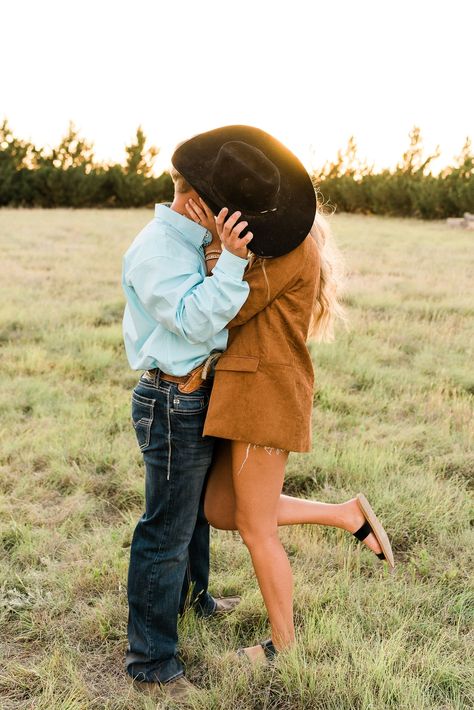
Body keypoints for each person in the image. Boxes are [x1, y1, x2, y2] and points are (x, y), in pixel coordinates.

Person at [178, 125, 396, 666]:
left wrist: (214, 249)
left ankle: (283, 646)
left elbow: (228, 306)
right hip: (249, 390)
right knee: (220, 508)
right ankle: (346, 515)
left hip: (265, 393)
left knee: (255, 529)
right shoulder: (278, 247)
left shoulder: (287, 253)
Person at [121, 150, 254, 701]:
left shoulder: (191, 242)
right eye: (224, 205)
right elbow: (193, 318)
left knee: (193, 515)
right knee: (166, 530)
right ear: (198, 198)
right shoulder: (156, 248)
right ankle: (150, 659)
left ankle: (195, 598)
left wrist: (221, 253)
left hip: (197, 395)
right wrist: (232, 261)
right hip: (172, 400)